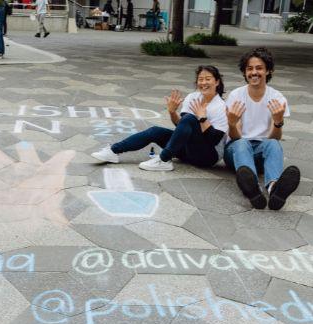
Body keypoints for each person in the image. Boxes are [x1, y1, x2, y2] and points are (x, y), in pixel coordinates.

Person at [91, 65, 228, 172]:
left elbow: (214, 140)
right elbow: (182, 127)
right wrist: (172, 112)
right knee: (155, 131)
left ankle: (163, 160)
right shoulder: (193, 97)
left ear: (217, 82)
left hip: (207, 156)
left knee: (191, 119)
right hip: (187, 150)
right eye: (200, 79)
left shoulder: (220, 106)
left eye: (208, 79)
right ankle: (113, 151)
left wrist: (202, 118)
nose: (203, 82)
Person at [224, 47, 300, 210]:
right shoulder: (236, 95)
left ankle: (274, 189)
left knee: (273, 144)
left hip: (261, 152)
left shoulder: (277, 98)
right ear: (244, 72)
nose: (254, 73)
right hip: (236, 151)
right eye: (249, 69)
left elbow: (275, 137)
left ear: (268, 70)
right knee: (242, 143)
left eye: (259, 68)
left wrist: (278, 122)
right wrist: (231, 123)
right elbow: (235, 137)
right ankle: (253, 188)